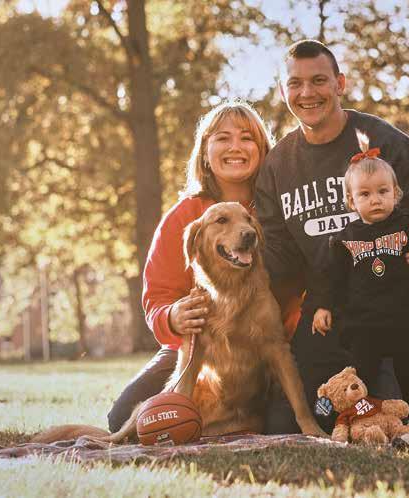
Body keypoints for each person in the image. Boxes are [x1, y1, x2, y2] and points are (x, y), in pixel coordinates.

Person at [255, 39, 409, 433]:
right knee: (288, 422)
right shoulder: (277, 164)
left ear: (340, 83)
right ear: (283, 90)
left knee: (397, 417)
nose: (307, 93)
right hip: (327, 314)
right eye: (295, 83)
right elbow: (277, 253)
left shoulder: (387, 143)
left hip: (395, 310)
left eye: (319, 80)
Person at [107, 100, 290, 431]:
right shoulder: (184, 217)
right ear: (205, 152)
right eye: (223, 138)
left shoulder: (280, 209)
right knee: (124, 418)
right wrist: (172, 316)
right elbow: (158, 296)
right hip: (199, 353)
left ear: (263, 150)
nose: (235, 147)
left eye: (247, 138)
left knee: (284, 423)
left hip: (268, 351)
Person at [311, 130, 409, 420]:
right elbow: (330, 276)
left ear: (396, 193)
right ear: (351, 200)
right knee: (362, 381)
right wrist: (323, 306)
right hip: (364, 325)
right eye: (365, 194)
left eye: (383, 192)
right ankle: (365, 421)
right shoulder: (344, 239)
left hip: (406, 320)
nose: (376, 200)